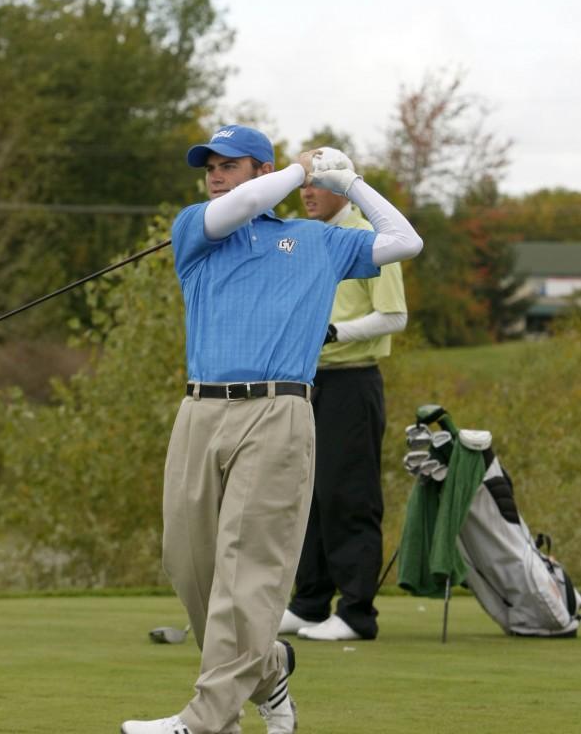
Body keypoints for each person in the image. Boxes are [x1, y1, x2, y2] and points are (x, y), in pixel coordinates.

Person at [121, 126, 423, 734]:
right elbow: (238, 207)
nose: (213, 174)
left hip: (277, 413)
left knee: (248, 568)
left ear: (255, 170)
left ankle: (208, 718)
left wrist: (351, 183)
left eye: (228, 164)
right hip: (199, 411)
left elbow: (404, 241)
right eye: (209, 164)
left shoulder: (316, 241)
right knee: (187, 563)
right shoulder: (196, 229)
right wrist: (296, 171)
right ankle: (268, 665)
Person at [279, 159, 407, 642]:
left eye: (319, 182)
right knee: (305, 493)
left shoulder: (371, 237)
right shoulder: (305, 237)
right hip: (308, 383)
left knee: (347, 494)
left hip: (354, 382)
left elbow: (393, 316)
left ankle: (357, 612)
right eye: (304, 182)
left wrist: (332, 333)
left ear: (343, 187)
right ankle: (310, 602)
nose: (308, 191)